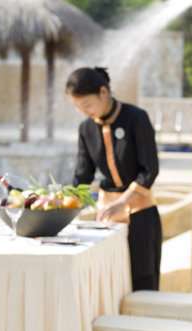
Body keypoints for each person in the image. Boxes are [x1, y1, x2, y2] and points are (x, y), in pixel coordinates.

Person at [66, 66, 161, 291]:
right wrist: (62, 206)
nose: (84, 112)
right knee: (107, 283)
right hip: (106, 219)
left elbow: (149, 170)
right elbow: (82, 175)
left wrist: (122, 202)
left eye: (87, 105)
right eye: (78, 107)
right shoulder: (86, 128)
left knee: (142, 281)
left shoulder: (136, 118)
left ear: (103, 92)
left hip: (140, 214)